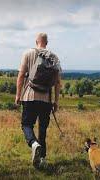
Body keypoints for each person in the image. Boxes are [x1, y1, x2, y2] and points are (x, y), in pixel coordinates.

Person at [15, 32, 62, 168]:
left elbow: (21, 75)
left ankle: (33, 144)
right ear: (47, 42)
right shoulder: (54, 57)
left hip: (29, 96)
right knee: (43, 130)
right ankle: (42, 159)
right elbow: (58, 82)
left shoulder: (28, 53)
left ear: (36, 41)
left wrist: (18, 95)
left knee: (26, 125)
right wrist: (56, 101)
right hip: (46, 99)